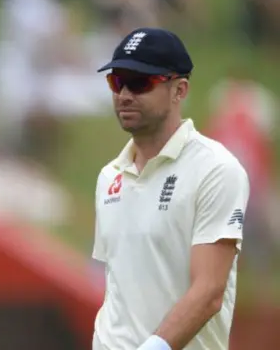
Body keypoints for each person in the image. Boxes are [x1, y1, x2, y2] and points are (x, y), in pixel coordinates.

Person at [91, 27, 250, 350]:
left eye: (139, 82)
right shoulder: (109, 177)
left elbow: (209, 293)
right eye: (117, 81)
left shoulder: (215, 169)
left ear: (180, 90)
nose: (124, 94)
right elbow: (118, 291)